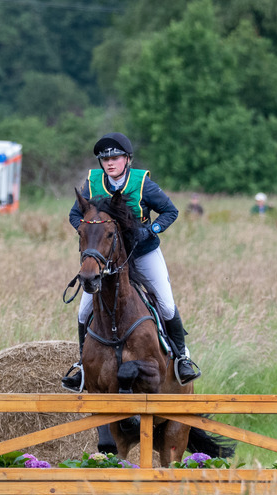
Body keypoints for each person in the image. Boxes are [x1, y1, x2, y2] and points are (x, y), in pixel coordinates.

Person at [62, 132, 201, 391]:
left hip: (143, 252)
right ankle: (82, 366)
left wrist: (153, 229)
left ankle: (182, 358)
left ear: (127, 159)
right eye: (105, 159)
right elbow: (74, 215)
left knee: (167, 305)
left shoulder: (143, 183)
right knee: (83, 311)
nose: (109, 163)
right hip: (106, 257)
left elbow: (171, 211)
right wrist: (90, 234)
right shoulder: (92, 183)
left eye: (115, 158)